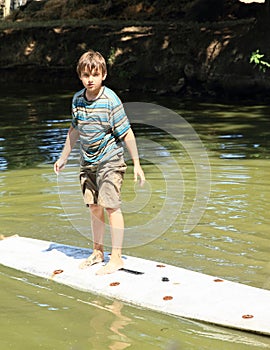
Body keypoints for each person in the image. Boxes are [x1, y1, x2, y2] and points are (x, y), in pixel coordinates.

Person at [54, 50, 145, 275]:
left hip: (110, 159)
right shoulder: (77, 100)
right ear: (80, 76)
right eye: (85, 75)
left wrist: (137, 163)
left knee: (111, 206)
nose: (90, 79)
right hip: (88, 161)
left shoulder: (110, 100)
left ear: (104, 74)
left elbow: (126, 133)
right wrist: (63, 156)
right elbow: (74, 129)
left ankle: (116, 258)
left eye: (95, 74)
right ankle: (98, 252)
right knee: (94, 206)